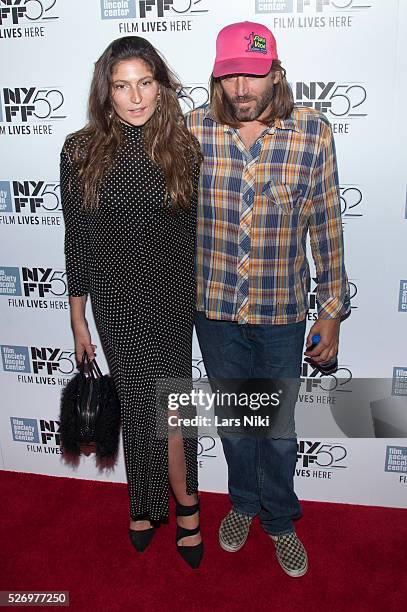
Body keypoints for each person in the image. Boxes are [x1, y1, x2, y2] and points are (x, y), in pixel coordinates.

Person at [186, 21, 350, 577]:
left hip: (282, 311)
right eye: (229, 74)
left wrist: (331, 313)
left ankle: (279, 518)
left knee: (278, 431)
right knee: (234, 424)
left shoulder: (312, 133)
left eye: (252, 74)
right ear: (216, 76)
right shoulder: (191, 132)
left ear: (275, 73)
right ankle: (242, 504)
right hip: (214, 310)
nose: (240, 88)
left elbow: (327, 225)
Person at [60, 36, 203, 569]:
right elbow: (78, 237)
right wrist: (78, 318)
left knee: (172, 405)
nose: (136, 97)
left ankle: (185, 502)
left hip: (171, 295)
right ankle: (145, 502)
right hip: (115, 297)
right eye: (122, 86)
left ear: (161, 87)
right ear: (107, 91)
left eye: (145, 83)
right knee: (139, 403)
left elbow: (196, 230)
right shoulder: (80, 150)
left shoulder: (184, 147)